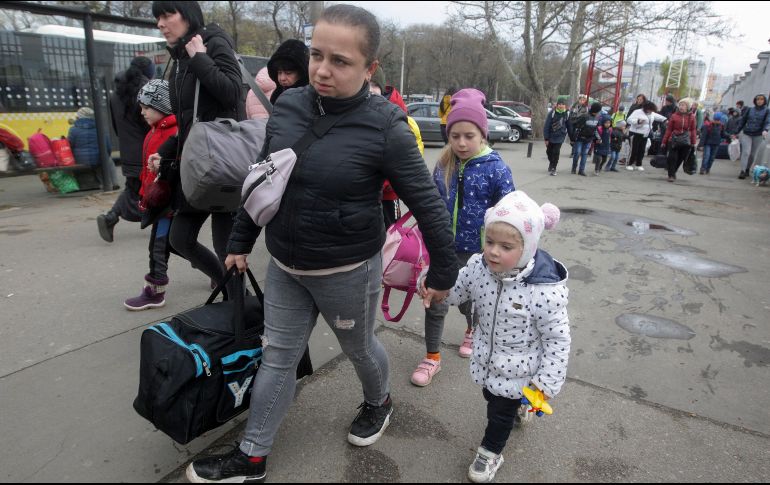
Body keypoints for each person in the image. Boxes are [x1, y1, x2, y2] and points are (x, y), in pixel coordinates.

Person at [185, 5, 459, 483]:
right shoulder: (289, 105)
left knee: (359, 348)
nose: (322, 70)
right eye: (316, 55)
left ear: (369, 68)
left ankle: (379, 402)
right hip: (287, 265)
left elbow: (430, 206)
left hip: (347, 272)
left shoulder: (387, 127)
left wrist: (442, 275)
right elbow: (264, 179)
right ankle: (251, 457)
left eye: (340, 60)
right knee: (278, 356)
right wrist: (243, 239)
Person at [418, 190, 570, 483]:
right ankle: (522, 406)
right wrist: (435, 289)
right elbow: (457, 290)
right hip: (487, 360)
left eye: (506, 246)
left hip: (523, 369)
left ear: (527, 248)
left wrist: (547, 382)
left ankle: (490, 452)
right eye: (489, 241)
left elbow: (557, 340)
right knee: (492, 397)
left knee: (498, 415)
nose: (494, 251)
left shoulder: (544, 291)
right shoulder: (478, 268)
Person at [411, 88, 514, 387]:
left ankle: (472, 329)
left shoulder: (496, 168)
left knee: (471, 303)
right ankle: (432, 357)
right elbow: (430, 203)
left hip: (479, 254)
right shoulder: (444, 164)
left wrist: (502, 248)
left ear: (482, 134)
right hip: (443, 248)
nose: (461, 142)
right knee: (436, 300)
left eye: (469, 135)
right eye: (455, 136)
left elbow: (509, 211)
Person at [149, 1, 244, 292]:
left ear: (188, 15)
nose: (161, 24)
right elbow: (189, 120)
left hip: (223, 162)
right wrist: (164, 152)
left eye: (167, 15)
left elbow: (232, 93)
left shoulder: (213, 43)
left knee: (226, 248)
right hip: (197, 164)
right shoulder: (179, 59)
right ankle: (230, 292)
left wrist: (201, 59)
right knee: (180, 238)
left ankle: (243, 315)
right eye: (158, 18)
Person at [124, 79, 178, 310]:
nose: (142, 111)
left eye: (147, 106)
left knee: (159, 245)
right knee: (176, 245)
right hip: (157, 201)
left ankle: (155, 292)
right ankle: (215, 270)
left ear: (163, 107)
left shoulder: (173, 133)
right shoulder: (155, 130)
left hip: (166, 204)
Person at [98, 56, 155, 243]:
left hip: (128, 150)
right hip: (147, 149)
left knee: (133, 188)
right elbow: (151, 124)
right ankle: (112, 217)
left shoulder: (116, 94)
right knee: (156, 186)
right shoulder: (146, 92)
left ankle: (112, 217)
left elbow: (115, 125)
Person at [369, 66, 424, 226]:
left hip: (388, 195)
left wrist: (382, 184)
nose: (369, 90)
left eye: (373, 85)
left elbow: (409, 161)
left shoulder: (398, 115)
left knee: (391, 235)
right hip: (363, 195)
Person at [660, 98, 697, 182]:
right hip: (673, 140)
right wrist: (664, 141)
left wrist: (693, 142)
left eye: (683, 105)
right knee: (672, 158)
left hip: (686, 141)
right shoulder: (674, 116)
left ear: (687, 107)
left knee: (680, 158)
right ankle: (671, 175)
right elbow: (669, 129)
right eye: (680, 105)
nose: (681, 107)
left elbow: (693, 130)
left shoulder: (692, 117)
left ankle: (673, 171)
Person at [735, 94, 770, 179]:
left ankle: (747, 169)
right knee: (746, 152)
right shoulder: (750, 109)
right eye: (758, 99)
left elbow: (768, 121)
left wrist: (766, 129)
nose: (759, 101)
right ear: (755, 100)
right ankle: (742, 171)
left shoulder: (767, 111)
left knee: (753, 154)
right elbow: (743, 120)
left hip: (758, 135)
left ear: (764, 101)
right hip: (747, 133)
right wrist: (736, 131)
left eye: (761, 99)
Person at [267, 39, 309, 105]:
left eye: (288, 73)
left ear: (301, 73)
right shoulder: (277, 94)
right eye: (279, 72)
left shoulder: (309, 98)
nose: (282, 78)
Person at [626, 101, 665, 171]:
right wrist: (638, 121)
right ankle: (630, 163)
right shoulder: (637, 112)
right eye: (649, 110)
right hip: (635, 133)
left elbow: (659, 117)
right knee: (634, 150)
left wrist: (665, 120)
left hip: (645, 134)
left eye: (651, 110)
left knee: (642, 150)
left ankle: (639, 164)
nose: (650, 111)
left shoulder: (652, 113)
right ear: (645, 108)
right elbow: (629, 120)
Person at [569, 101, 602, 176]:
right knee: (577, 153)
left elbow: (595, 129)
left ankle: (581, 170)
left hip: (589, 139)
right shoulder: (585, 116)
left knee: (584, 154)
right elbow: (576, 124)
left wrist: (598, 137)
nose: (599, 112)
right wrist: (573, 136)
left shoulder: (597, 118)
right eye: (598, 111)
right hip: (580, 138)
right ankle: (574, 168)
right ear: (596, 110)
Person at [543, 95, 570, 176]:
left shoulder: (567, 114)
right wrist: (546, 138)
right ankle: (551, 163)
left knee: (556, 152)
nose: (561, 105)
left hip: (560, 136)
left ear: (565, 105)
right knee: (549, 151)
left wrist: (572, 138)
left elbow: (569, 126)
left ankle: (554, 167)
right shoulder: (552, 113)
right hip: (551, 136)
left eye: (562, 104)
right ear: (557, 105)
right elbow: (547, 126)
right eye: (559, 104)